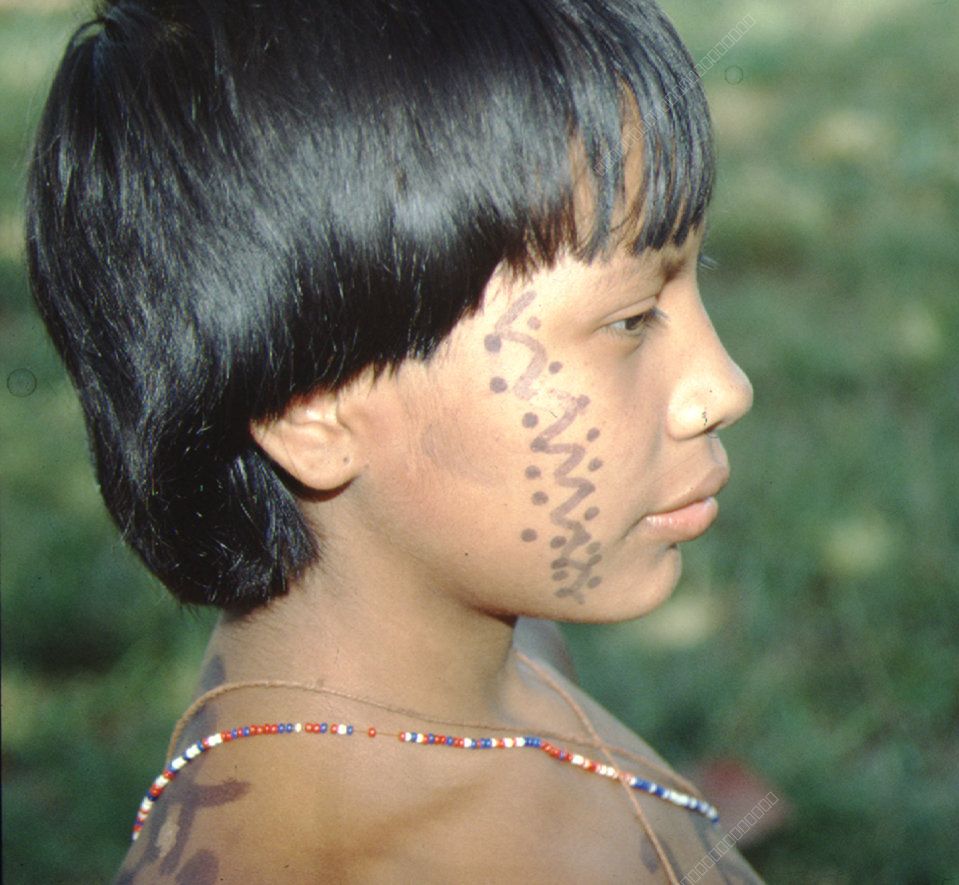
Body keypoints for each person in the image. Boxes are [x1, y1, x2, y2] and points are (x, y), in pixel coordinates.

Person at [25, 0, 759, 880]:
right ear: (312, 409)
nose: (723, 387)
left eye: (693, 276)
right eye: (632, 317)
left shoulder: (493, 658)